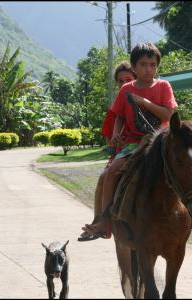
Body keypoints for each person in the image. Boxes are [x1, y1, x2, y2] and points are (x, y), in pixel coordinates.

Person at [81, 42, 192, 249]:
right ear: (134, 67)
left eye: (152, 64)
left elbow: (169, 115)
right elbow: (120, 117)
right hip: (134, 143)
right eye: (143, 64)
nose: (148, 69)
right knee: (111, 171)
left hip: (161, 142)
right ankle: (104, 220)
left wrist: (143, 102)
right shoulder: (126, 90)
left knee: (188, 171)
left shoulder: (163, 87)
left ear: (157, 66)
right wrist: (116, 133)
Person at [78, 61, 136, 241]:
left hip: (145, 147)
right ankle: (100, 221)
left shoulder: (146, 98)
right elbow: (108, 139)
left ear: (135, 79)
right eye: (120, 80)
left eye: (128, 79)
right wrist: (119, 139)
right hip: (122, 152)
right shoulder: (114, 109)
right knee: (104, 178)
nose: (124, 83)